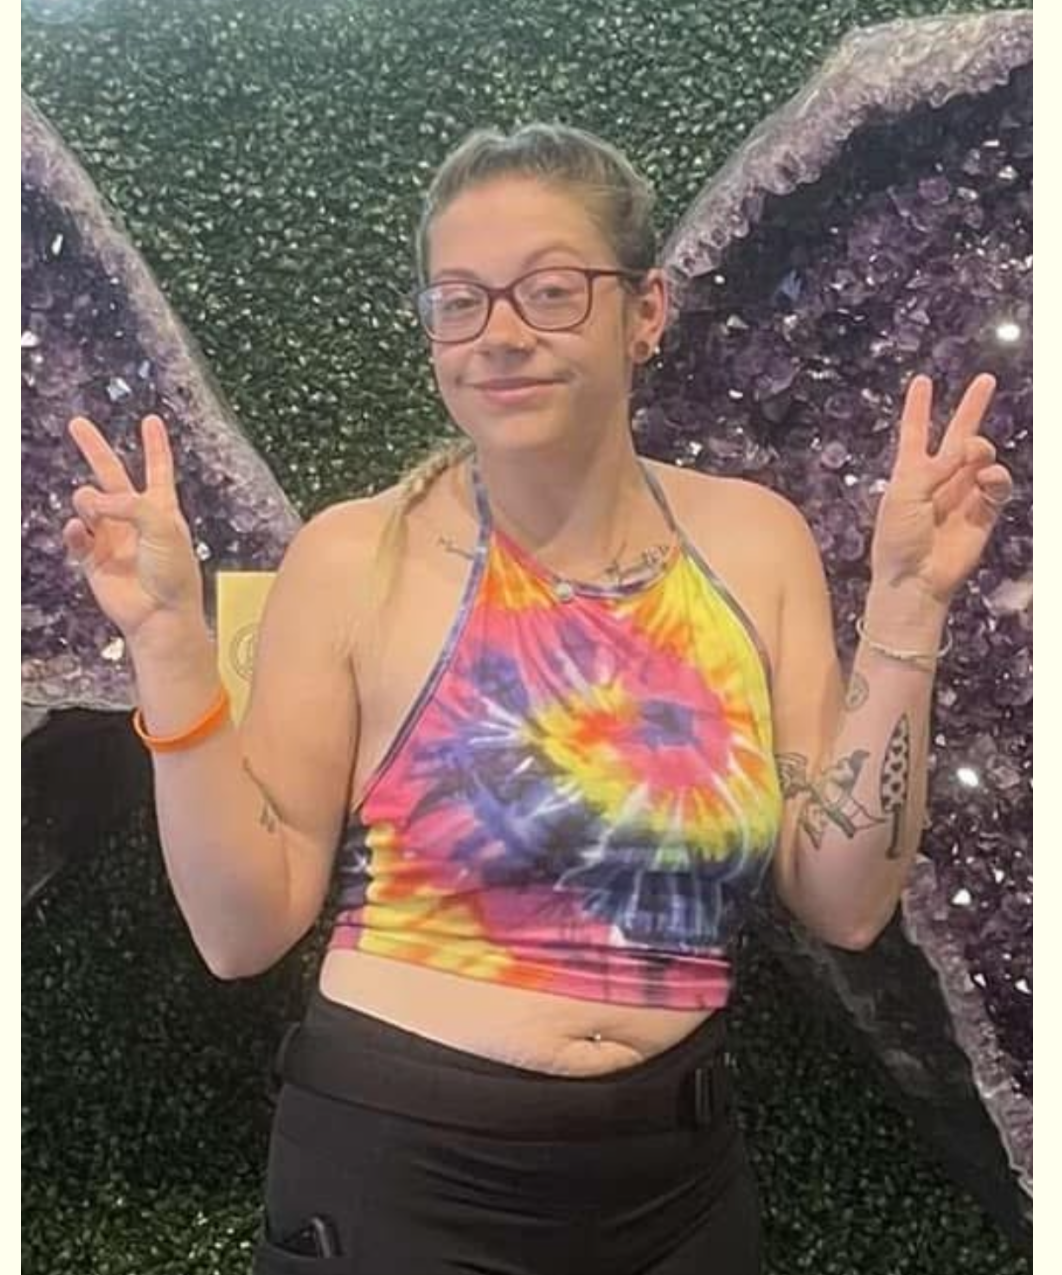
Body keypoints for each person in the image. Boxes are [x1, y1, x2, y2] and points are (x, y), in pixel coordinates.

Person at [64, 123, 1013, 1275]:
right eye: (459, 302)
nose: (501, 335)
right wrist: (169, 643)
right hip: (404, 1175)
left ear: (645, 310)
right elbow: (241, 930)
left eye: (552, 292)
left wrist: (910, 606)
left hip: (677, 1182)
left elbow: (847, 903)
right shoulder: (354, 557)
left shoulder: (755, 544)